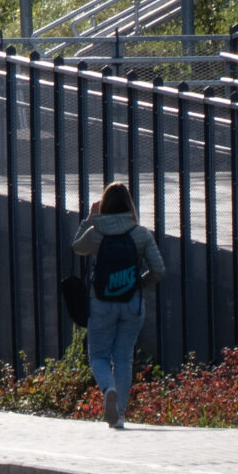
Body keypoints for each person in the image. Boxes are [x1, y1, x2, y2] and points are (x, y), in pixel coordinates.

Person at [73, 182, 165, 430]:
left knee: (99, 356)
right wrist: (139, 284)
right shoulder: (140, 234)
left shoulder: (97, 233)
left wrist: (90, 218)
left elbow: (77, 247)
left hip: (101, 302)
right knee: (123, 358)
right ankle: (120, 416)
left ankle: (108, 388)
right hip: (132, 303)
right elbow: (158, 269)